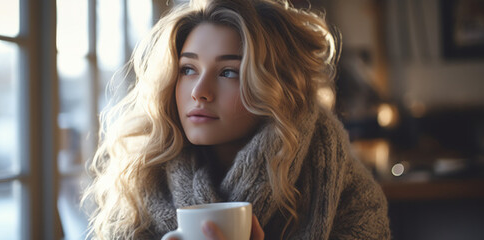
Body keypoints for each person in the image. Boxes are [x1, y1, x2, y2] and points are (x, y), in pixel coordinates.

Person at [82, 0, 391, 239]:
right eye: (188, 69)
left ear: (277, 89)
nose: (199, 92)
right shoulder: (139, 190)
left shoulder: (351, 200)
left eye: (229, 72)